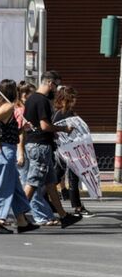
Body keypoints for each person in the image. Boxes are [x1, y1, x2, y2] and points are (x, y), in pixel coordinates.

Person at [22, 70, 81, 229]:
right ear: (49, 82)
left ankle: (63, 216)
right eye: (55, 85)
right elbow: (45, 126)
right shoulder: (41, 101)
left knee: (50, 183)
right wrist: (64, 129)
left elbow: (27, 124)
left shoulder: (30, 99)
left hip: (35, 143)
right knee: (33, 182)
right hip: (40, 145)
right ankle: (19, 215)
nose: (56, 89)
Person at [0, 79, 39, 234]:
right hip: (5, 152)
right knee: (2, 187)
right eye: (15, 89)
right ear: (11, 91)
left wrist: (22, 128)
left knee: (15, 188)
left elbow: (5, 127)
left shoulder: (0, 105)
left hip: (3, 152)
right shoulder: (8, 106)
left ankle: (22, 221)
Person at [15, 81, 54, 225]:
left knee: (33, 183)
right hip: (24, 150)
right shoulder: (20, 111)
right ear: (23, 95)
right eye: (29, 93)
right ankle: (38, 216)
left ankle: (45, 215)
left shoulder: (26, 108)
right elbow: (20, 135)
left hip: (28, 148)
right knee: (31, 183)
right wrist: (21, 153)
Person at [52, 86, 94, 218]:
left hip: (70, 148)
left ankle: (76, 206)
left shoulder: (64, 112)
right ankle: (77, 207)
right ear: (65, 99)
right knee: (67, 178)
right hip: (66, 150)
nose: (75, 101)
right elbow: (55, 130)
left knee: (62, 177)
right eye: (72, 98)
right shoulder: (63, 113)